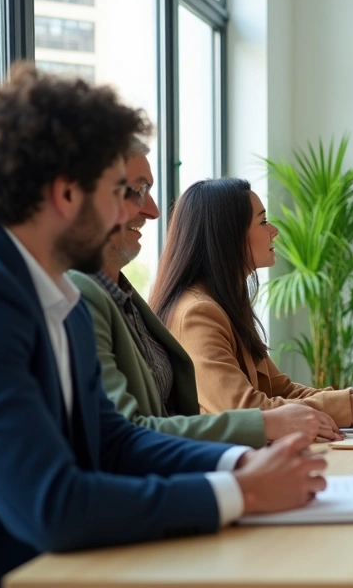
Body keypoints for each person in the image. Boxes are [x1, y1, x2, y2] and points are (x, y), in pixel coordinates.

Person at [0, 65, 326, 588]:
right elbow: (52, 504)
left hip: (58, 577)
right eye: (123, 191)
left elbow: (114, 441)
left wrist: (239, 466)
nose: (137, 211)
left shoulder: (61, 296)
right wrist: (242, 493)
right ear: (67, 194)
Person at [67, 140, 338, 446]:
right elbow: (128, 434)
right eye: (136, 190)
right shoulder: (194, 310)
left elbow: (279, 391)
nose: (154, 211)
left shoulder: (127, 300)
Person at [151, 178, 353, 426]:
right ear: (228, 235)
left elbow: (281, 391)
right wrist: (351, 409)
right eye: (263, 222)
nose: (273, 230)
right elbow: (245, 411)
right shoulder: (197, 313)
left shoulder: (223, 305)